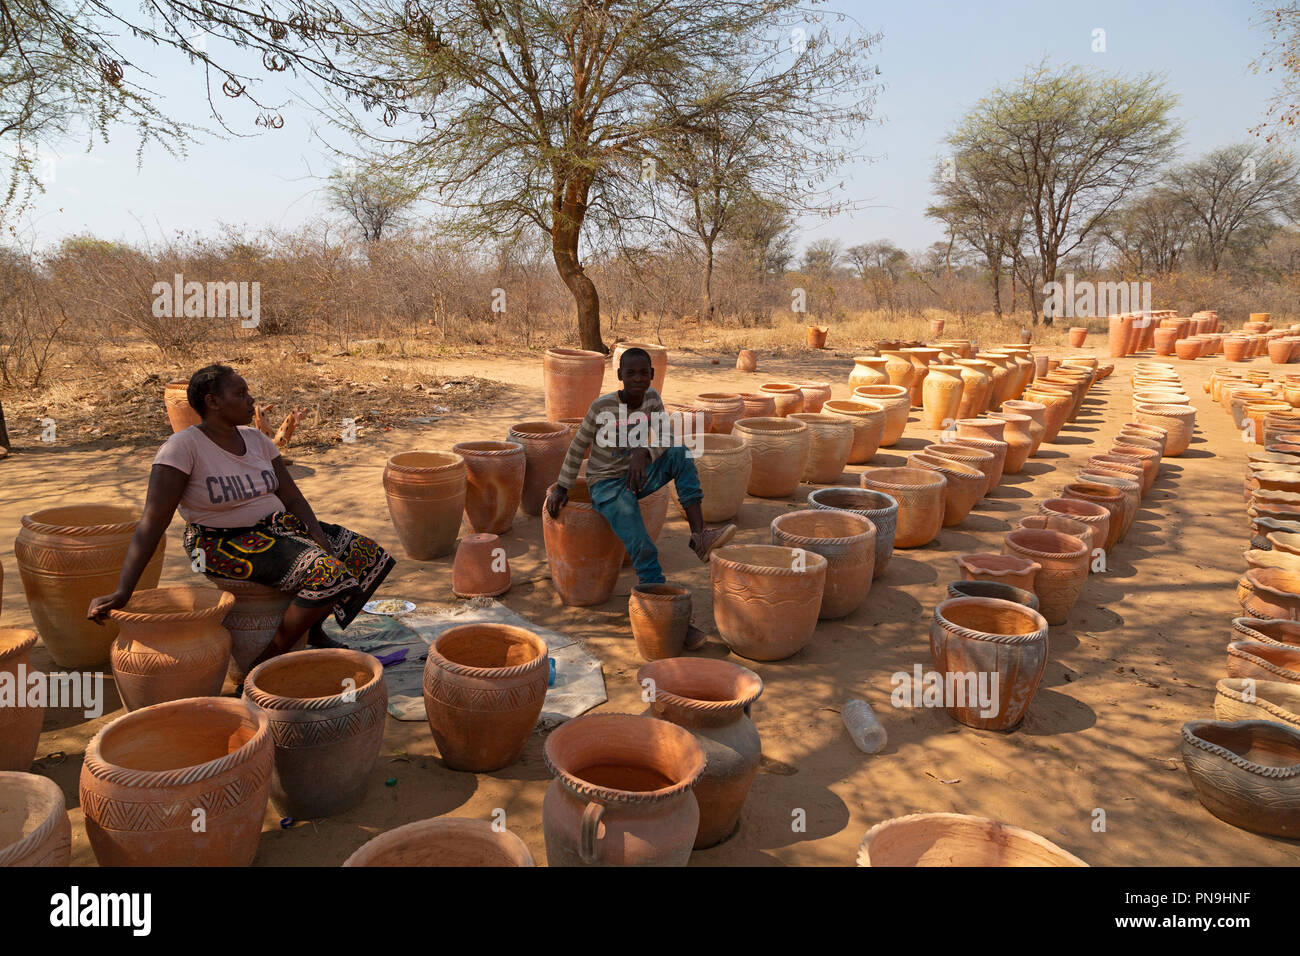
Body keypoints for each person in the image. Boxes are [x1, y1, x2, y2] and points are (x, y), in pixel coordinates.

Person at [87, 364, 396, 671]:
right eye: (241, 393)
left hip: (275, 530)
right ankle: (264, 665)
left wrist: (317, 535)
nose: (251, 401)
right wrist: (123, 591)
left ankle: (312, 630)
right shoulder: (182, 448)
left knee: (361, 552)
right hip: (216, 542)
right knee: (326, 572)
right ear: (212, 402)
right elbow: (153, 522)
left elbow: (292, 497)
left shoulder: (257, 440)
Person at [545, 348, 736, 604]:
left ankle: (700, 536)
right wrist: (562, 486)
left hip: (637, 475)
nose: (638, 378)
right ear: (620, 375)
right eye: (631, 373)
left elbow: (667, 437)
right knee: (641, 542)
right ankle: (657, 603)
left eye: (644, 373)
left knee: (681, 454)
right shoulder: (602, 406)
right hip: (606, 485)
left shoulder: (652, 399)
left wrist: (643, 452)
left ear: (652, 374)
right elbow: (578, 446)